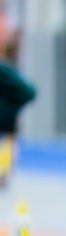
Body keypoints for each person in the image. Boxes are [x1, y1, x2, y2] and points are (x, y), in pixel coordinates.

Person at [0, 39, 37, 186]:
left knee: (8, 142)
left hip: (6, 116)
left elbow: (29, 92)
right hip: (8, 115)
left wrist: (10, 107)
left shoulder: (3, 70)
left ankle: (4, 173)